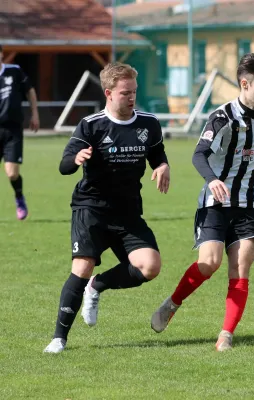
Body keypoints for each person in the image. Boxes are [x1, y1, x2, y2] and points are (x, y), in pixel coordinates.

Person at [150, 51, 254, 351]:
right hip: (215, 204)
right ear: (244, 84)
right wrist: (212, 180)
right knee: (209, 264)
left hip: (250, 205)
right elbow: (198, 154)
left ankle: (225, 335)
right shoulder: (222, 117)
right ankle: (173, 303)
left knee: (240, 268)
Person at [44, 62, 171, 354]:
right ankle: (59, 338)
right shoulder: (91, 125)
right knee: (82, 265)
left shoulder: (148, 123)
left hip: (127, 211)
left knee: (150, 267)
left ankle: (97, 285)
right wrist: (76, 158)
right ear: (109, 93)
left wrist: (163, 166)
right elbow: (64, 166)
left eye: (134, 92)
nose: (132, 97)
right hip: (91, 208)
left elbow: (157, 154)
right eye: (125, 93)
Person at [0, 45, 40, 220]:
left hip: (12, 130)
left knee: (12, 173)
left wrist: (35, 113)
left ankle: (19, 198)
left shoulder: (14, 71)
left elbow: (30, 91)